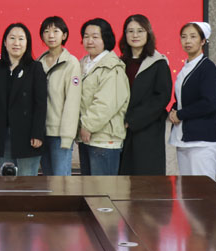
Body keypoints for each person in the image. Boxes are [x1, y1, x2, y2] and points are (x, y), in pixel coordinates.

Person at [0, 23, 47, 176]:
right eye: (12, 38)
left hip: (28, 136)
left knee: (26, 182)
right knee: (7, 181)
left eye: (21, 39)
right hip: (3, 135)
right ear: (5, 42)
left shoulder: (35, 68)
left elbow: (41, 104)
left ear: (27, 43)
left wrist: (37, 133)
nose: (16, 43)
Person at [118, 14, 172, 176]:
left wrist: (132, 120)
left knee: (146, 180)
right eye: (130, 31)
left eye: (140, 31)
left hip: (148, 130)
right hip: (121, 130)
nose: (135, 35)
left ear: (148, 33)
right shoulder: (120, 63)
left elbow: (162, 97)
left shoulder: (158, 62)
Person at [168, 22, 216, 179]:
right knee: (186, 189)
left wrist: (180, 114)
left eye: (193, 37)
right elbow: (182, 98)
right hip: (184, 139)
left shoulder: (207, 68)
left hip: (202, 141)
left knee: (203, 189)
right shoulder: (186, 67)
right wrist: (173, 110)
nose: (188, 41)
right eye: (184, 37)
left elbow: (209, 103)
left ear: (203, 41)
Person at [78, 18, 130, 176]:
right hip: (86, 137)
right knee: (89, 188)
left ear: (105, 39)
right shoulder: (82, 64)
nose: (90, 41)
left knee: (103, 188)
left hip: (105, 139)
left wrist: (88, 125)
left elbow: (106, 103)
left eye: (95, 37)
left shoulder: (112, 67)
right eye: (86, 36)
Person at [37, 16, 81, 176]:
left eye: (56, 31)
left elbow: (73, 101)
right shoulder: (38, 63)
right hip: (41, 134)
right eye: (46, 31)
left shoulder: (71, 63)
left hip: (60, 135)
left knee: (62, 182)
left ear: (64, 35)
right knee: (48, 181)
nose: (51, 35)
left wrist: (68, 136)